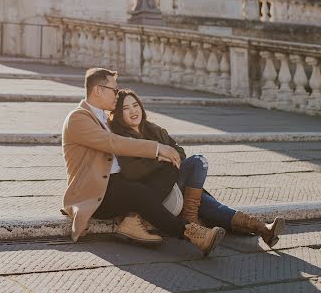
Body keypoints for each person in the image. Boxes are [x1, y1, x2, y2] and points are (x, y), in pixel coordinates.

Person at [61, 67, 226, 255]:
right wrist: (156, 149)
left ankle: (133, 221)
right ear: (98, 90)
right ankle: (192, 235)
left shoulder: (105, 120)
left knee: (169, 166)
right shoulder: (78, 118)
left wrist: (162, 153)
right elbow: (113, 142)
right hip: (95, 192)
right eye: (114, 90)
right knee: (138, 192)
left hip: (119, 184)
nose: (117, 94)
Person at [110, 89, 285, 248]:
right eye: (126, 108)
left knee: (211, 207)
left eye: (135, 105)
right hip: (153, 192)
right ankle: (190, 218)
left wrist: (167, 157)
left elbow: (179, 152)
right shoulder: (121, 138)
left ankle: (263, 229)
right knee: (198, 162)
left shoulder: (153, 129)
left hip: (174, 186)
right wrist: (161, 156)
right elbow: (132, 171)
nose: (133, 111)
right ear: (118, 114)